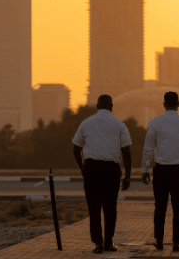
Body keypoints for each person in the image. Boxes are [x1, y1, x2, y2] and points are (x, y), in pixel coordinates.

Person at [141, 91, 179, 252]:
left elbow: (148, 148)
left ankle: (159, 241)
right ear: (178, 104)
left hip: (160, 169)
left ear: (164, 104)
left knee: (160, 206)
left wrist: (144, 169)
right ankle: (176, 243)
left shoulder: (155, 123)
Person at [73, 94, 132, 254]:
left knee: (94, 207)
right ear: (111, 107)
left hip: (91, 169)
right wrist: (127, 175)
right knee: (110, 208)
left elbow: (76, 148)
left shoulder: (86, 123)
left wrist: (82, 167)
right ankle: (109, 242)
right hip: (111, 170)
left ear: (97, 107)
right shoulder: (119, 124)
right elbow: (126, 151)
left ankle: (98, 243)